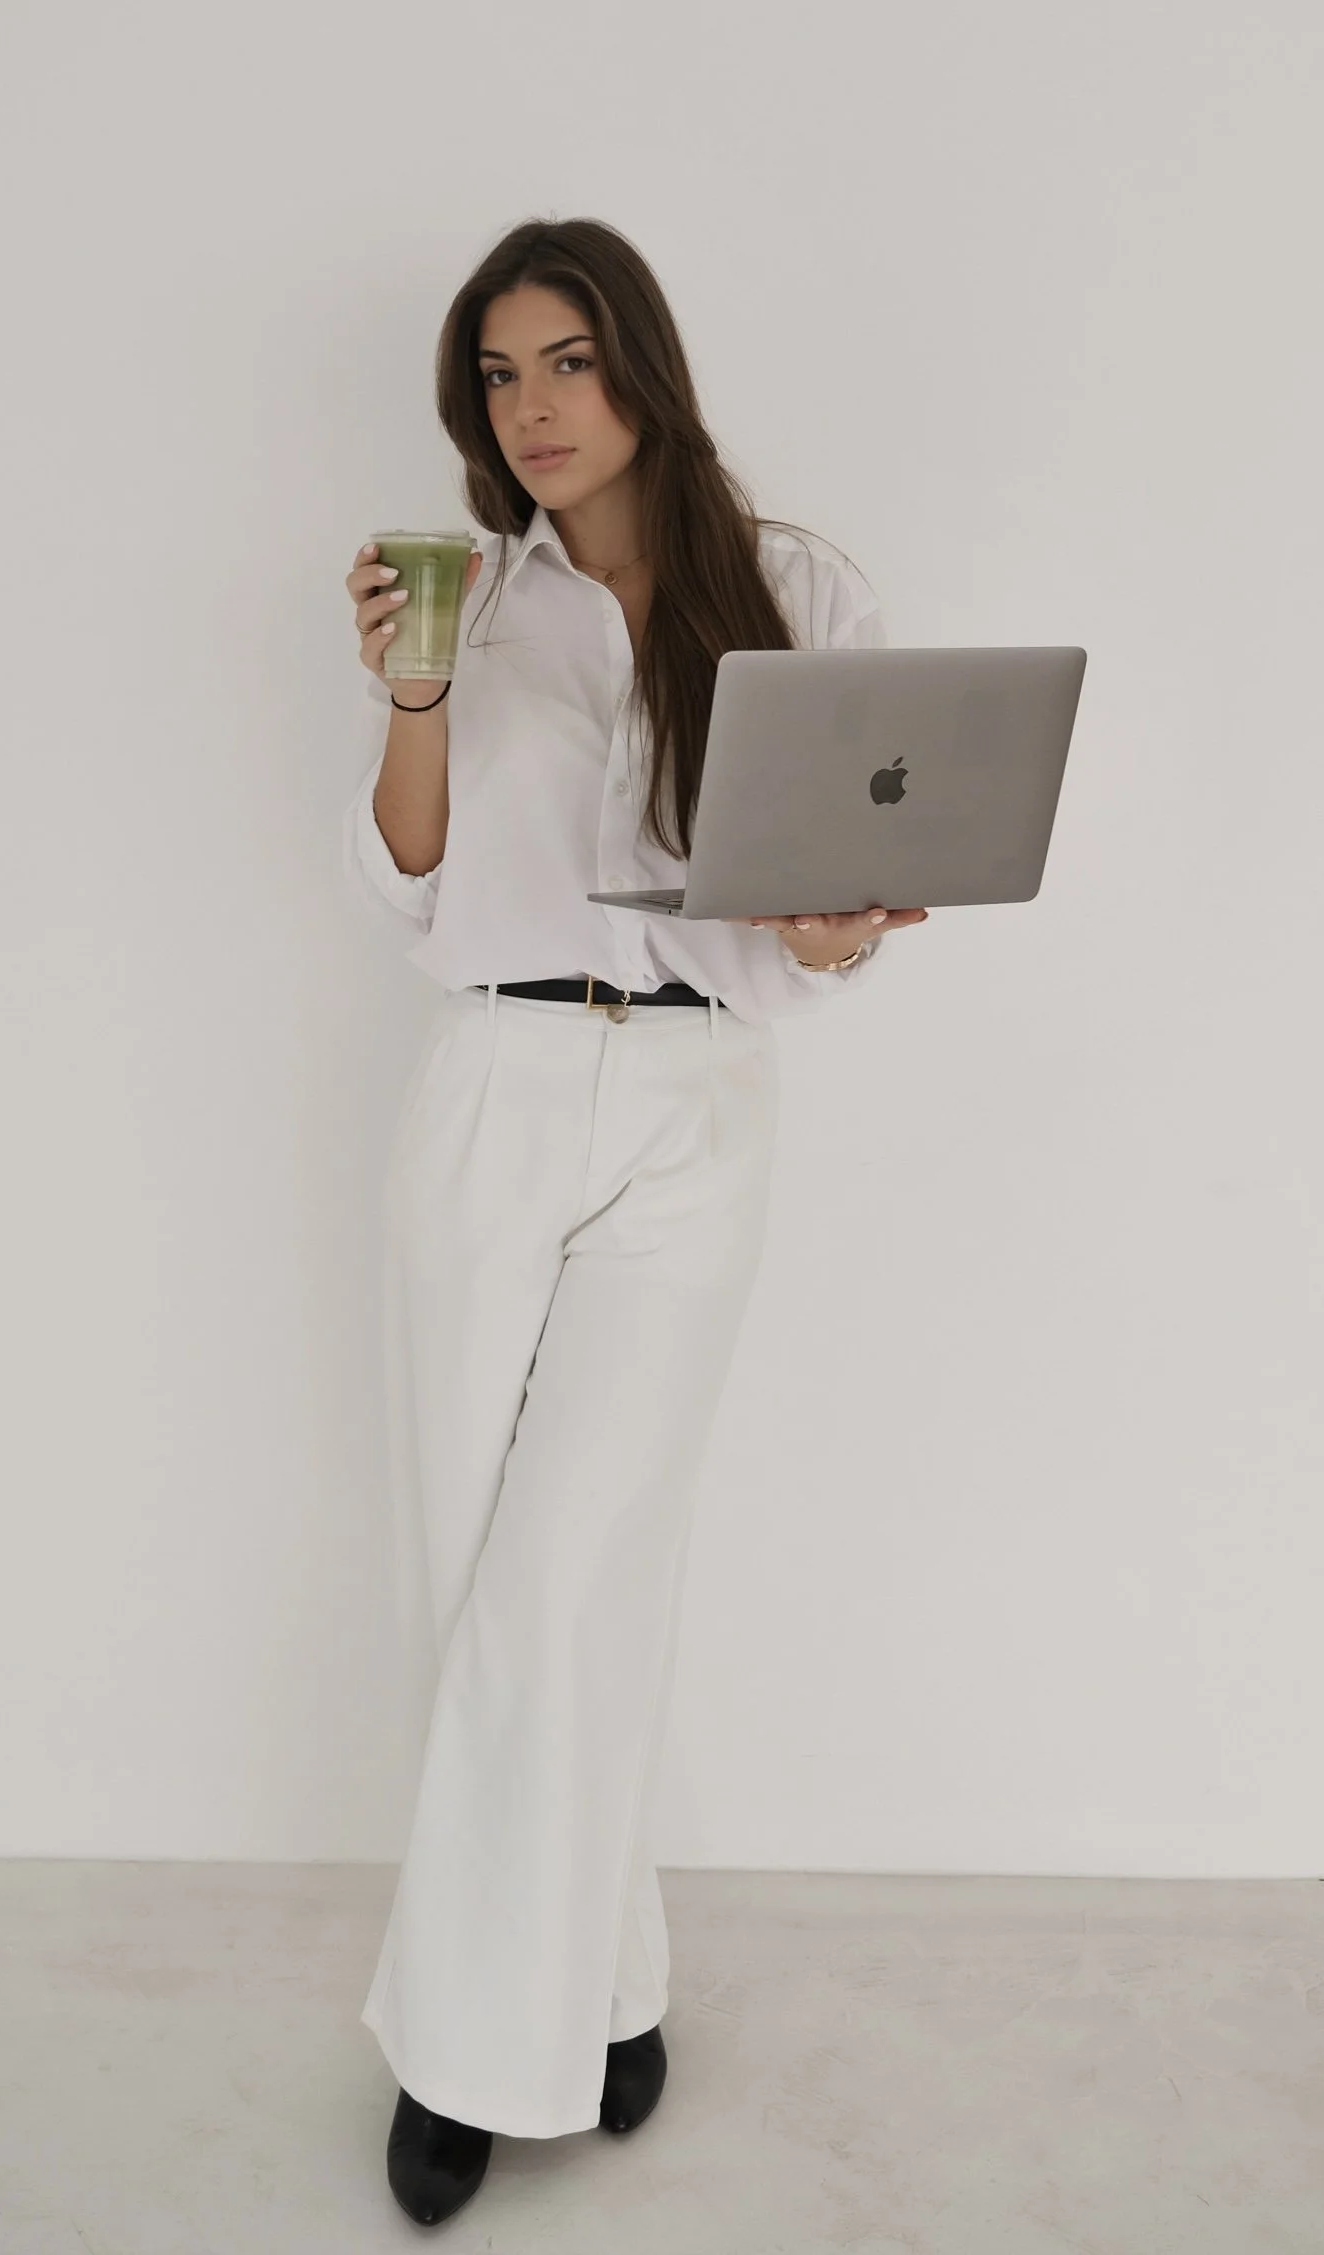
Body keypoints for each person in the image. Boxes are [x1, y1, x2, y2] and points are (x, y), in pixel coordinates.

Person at [341, 216, 928, 2227]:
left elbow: (824, 898)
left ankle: (456, 2054)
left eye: (567, 361)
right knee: (471, 1579)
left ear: (641, 368)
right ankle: (603, 1980)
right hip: (490, 1089)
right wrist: (412, 692)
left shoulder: (802, 589)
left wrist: (842, 929)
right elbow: (416, 881)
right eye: (499, 378)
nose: (534, 410)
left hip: (691, 1107)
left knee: (575, 1575)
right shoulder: (467, 605)